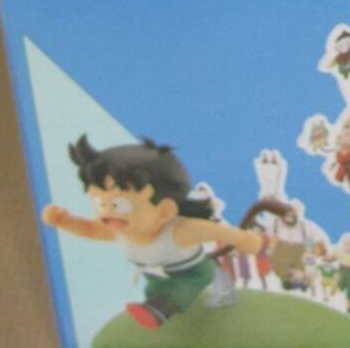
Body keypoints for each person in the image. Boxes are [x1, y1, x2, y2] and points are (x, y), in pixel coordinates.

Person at [41, 136, 261, 329]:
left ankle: (159, 311)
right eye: (100, 203)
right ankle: (163, 310)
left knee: (176, 292)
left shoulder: (179, 231)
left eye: (118, 205)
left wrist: (244, 239)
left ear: (165, 211)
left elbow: (216, 231)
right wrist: (66, 221)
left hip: (191, 273)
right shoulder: (121, 231)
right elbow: (91, 229)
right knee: (155, 291)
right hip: (156, 274)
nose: (107, 212)